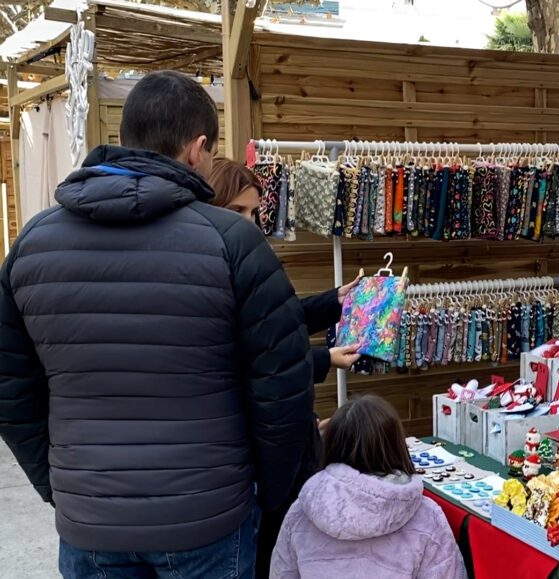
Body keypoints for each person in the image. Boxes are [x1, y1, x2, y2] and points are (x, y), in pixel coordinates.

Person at [0, 70, 314, 577]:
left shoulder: (32, 245)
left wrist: (62, 488)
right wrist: (266, 491)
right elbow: (283, 386)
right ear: (198, 148)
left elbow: (12, 391)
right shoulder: (232, 242)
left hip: (91, 520)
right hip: (207, 520)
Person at [205, 157, 361, 579]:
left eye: (254, 212)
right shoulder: (211, 270)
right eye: (238, 210)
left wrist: (334, 301)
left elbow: (278, 322)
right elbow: (248, 364)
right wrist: (321, 358)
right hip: (246, 465)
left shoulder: (242, 257)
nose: (250, 222)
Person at [271, 396, 466, 579]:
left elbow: (281, 573)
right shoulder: (427, 516)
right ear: (396, 446)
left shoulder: (301, 511)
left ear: (331, 446)